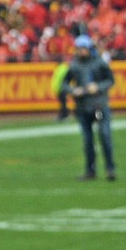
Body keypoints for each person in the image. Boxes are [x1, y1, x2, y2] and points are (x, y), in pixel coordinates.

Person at [61, 34, 116, 180]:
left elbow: (110, 80)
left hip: (99, 105)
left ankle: (110, 168)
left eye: (83, 48)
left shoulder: (99, 63)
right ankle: (90, 171)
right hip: (83, 106)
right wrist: (73, 90)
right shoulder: (74, 65)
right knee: (87, 141)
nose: (81, 51)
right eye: (79, 49)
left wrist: (97, 87)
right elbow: (64, 84)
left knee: (105, 136)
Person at [50, 56, 70, 121]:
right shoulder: (62, 68)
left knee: (63, 103)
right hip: (60, 88)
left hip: (61, 89)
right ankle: (64, 114)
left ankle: (64, 115)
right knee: (63, 103)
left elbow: (61, 79)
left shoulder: (61, 68)